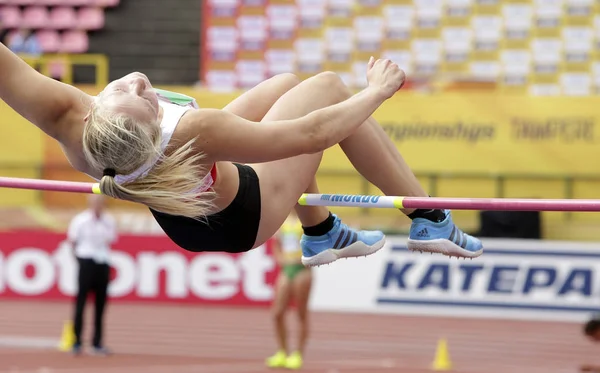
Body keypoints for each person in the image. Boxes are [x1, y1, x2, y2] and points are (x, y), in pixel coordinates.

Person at [0, 42, 483, 267]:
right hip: (249, 214)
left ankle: (321, 233)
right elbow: (313, 133)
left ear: (93, 117)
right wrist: (376, 91)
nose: (138, 81)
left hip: (189, 219)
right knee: (330, 89)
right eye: (145, 96)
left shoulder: (69, 123)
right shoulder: (198, 130)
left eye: (122, 88)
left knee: (285, 86)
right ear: (157, 129)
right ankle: (430, 217)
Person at [65, 194, 117, 356]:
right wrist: (79, 260)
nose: (98, 205)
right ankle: (77, 341)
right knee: (81, 303)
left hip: (102, 262)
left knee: (100, 304)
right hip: (86, 261)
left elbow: (111, 239)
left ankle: (97, 342)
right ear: (90, 204)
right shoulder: (80, 220)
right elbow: (72, 242)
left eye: (100, 203)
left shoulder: (109, 221)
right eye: (95, 202)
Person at [266, 212, 312, 370]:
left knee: (301, 313)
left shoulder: (307, 219)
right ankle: (282, 352)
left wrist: (306, 258)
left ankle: (298, 354)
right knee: (277, 313)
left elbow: (317, 245)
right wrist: (280, 258)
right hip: (287, 269)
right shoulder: (283, 219)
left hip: (302, 270)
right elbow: (276, 244)